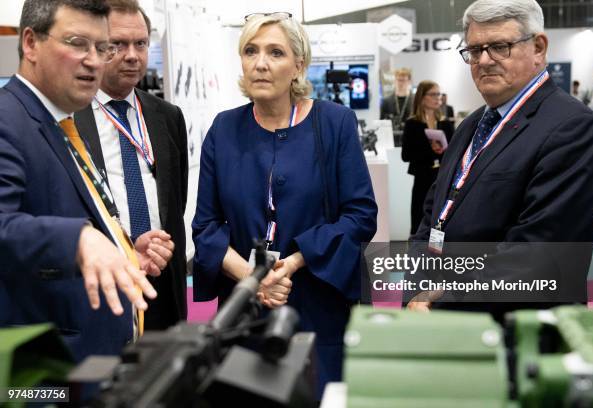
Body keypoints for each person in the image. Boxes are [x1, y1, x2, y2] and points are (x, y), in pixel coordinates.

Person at [191, 12, 377, 395]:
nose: (260, 63)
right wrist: (252, 279)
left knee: (317, 393)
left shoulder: (335, 123)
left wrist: (291, 263)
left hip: (314, 297)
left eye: (275, 52)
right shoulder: (223, 129)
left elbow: (360, 215)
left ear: (298, 64)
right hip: (244, 309)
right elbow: (205, 228)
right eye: (250, 51)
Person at [406, 0, 593, 315]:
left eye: (500, 47)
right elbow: (431, 216)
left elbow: (538, 255)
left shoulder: (572, 129)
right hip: (447, 324)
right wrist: (417, 285)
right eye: (474, 50)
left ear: (539, 48)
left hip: (514, 333)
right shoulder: (470, 126)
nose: (484, 60)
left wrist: (439, 300)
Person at [0, 0, 173, 362]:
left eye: (101, 47)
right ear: (30, 43)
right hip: (42, 372)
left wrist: (122, 250)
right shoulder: (8, 120)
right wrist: (78, 239)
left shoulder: (58, 123)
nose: (95, 60)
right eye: (77, 43)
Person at [75, 0, 188, 330]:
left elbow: (174, 204)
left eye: (140, 43)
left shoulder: (168, 117)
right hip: (101, 286)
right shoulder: (68, 119)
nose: (132, 55)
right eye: (118, 45)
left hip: (163, 285)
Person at [402, 81, 454, 236]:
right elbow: (406, 156)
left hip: (443, 179)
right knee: (419, 218)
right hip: (422, 179)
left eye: (439, 94)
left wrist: (442, 150)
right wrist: (429, 149)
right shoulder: (413, 124)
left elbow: (455, 153)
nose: (438, 98)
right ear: (422, 97)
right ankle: (417, 256)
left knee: (439, 221)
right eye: (433, 94)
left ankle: (436, 256)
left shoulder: (445, 123)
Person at [381, 67, 413, 144]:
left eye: (403, 80)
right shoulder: (386, 101)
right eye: (398, 80)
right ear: (395, 81)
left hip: (412, 140)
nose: (400, 83)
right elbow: (382, 122)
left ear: (409, 81)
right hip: (392, 140)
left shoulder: (415, 101)